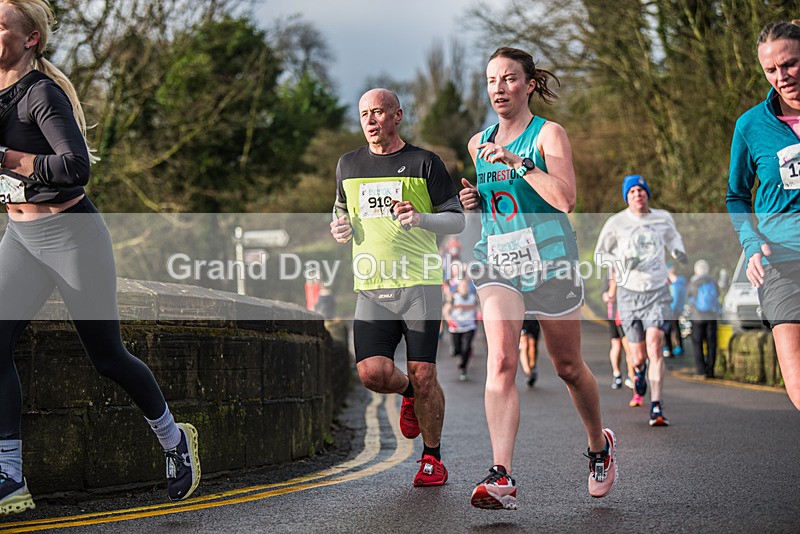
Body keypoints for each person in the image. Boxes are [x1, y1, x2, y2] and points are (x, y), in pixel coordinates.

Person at [0, 0, 199, 516]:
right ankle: (10, 475)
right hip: (19, 239)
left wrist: (6, 159)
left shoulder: (40, 93)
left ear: (30, 40)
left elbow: (75, 167)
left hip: (72, 237)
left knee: (106, 358)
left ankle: (174, 440)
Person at [459, 47, 617, 510]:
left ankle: (598, 446)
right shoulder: (476, 142)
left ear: (529, 84)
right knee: (503, 361)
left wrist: (518, 162)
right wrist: (476, 202)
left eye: (509, 79)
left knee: (567, 366)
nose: (499, 89)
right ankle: (501, 475)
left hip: (550, 260)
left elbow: (565, 199)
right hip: (497, 261)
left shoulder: (549, 134)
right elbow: (496, 202)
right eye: (492, 81)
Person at [330, 88, 465, 486]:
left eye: (379, 112)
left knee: (425, 374)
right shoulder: (348, 164)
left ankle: (432, 458)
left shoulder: (424, 162)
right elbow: (341, 211)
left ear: (397, 115)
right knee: (372, 373)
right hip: (371, 287)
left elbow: (456, 219)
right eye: (364, 114)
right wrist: (339, 227)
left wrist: (421, 218)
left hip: (419, 285)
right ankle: (407, 393)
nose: (371, 120)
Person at [727, 19, 800, 411]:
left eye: (789, 64)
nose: (781, 76)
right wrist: (751, 244)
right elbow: (736, 196)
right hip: (780, 262)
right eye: (770, 70)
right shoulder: (751, 125)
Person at [595, 174, 687, 426]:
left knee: (655, 345)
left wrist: (679, 251)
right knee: (637, 355)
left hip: (657, 291)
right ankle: (638, 372)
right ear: (627, 197)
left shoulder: (662, 217)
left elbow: (673, 237)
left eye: (641, 190)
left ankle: (656, 406)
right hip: (628, 293)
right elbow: (600, 255)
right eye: (632, 191)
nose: (637, 194)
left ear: (647, 193)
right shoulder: (617, 223)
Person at [687, 260, 720, 378]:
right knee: (711, 344)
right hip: (711, 317)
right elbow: (718, 295)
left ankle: (701, 371)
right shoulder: (712, 281)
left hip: (697, 318)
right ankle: (711, 370)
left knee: (697, 344)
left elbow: (689, 297)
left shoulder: (693, 282)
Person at [443, 273, 479, 381]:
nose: (464, 288)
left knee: (466, 348)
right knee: (458, 349)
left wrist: (480, 315)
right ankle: (456, 352)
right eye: (462, 286)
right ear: (458, 288)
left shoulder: (473, 298)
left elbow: (478, 309)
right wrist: (449, 320)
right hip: (456, 326)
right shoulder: (454, 298)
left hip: (469, 326)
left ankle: (463, 368)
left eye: (466, 286)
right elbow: (445, 310)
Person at [601, 270, 628, 389]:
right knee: (618, 345)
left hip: (625, 313)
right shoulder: (610, 275)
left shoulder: (625, 273)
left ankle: (628, 376)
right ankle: (617, 374)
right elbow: (606, 295)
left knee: (625, 347)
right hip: (615, 315)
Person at [663, 264, 687, 357]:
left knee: (670, 329)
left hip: (672, 310)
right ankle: (677, 347)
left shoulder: (675, 285)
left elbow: (675, 300)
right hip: (677, 310)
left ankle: (670, 348)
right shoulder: (681, 283)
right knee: (676, 328)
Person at [518, 319, 540, 388]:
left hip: (533, 316)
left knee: (532, 345)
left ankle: (533, 367)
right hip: (522, 317)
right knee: (524, 344)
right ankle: (528, 373)